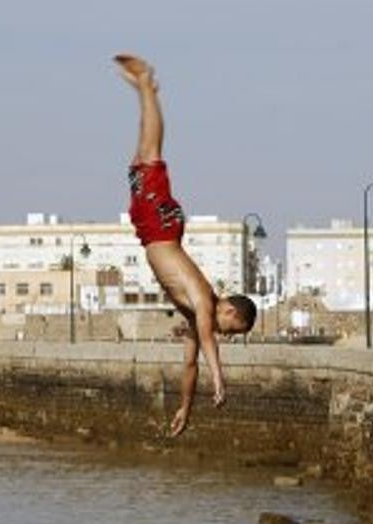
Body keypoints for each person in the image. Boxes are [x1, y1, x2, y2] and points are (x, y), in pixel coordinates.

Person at [115, 54, 257, 437]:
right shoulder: (205, 303)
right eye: (233, 327)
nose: (225, 334)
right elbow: (210, 343)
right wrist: (221, 380)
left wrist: (185, 409)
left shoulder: (198, 317)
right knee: (150, 157)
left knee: (139, 161)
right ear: (228, 308)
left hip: (155, 231)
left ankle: (146, 90)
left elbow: (190, 365)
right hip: (160, 228)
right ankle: (146, 83)